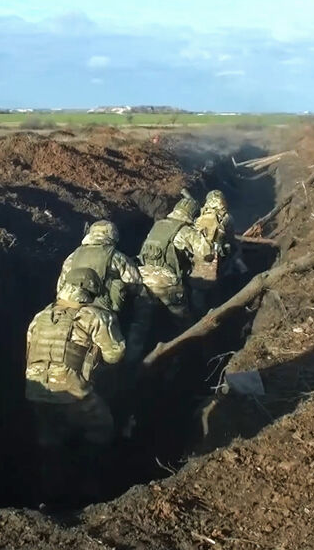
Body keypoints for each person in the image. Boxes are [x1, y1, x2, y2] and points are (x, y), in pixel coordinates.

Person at [24, 268, 126, 500]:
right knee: (101, 430)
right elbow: (115, 354)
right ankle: (91, 491)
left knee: (50, 442)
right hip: (74, 393)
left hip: (36, 392)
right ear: (91, 290)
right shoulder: (95, 316)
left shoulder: (41, 316)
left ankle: (49, 494)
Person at [127, 197, 213, 361]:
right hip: (165, 282)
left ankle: (131, 364)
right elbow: (207, 253)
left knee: (139, 324)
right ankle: (190, 358)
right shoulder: (185, 230)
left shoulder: (158, 225)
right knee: (184, 323)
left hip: (142, 278)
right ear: (192, 215)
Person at [55, 220, 142, 314]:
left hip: (70, 307)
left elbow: (60, 286)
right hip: (100, 309)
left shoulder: (72, 256)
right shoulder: (117, 257)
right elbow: (135, 284)